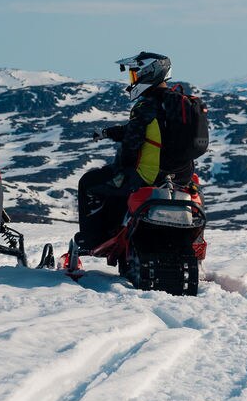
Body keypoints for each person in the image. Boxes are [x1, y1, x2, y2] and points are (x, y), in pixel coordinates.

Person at [75, 51, 197, 253]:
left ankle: (92, 239)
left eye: (135, 74)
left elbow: (133, 142)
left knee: (89, 182)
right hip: (181, 178)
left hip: (148, 176)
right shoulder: (181, 103)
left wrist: (122, 166)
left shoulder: (146, 105)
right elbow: (147, 132)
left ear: (149, 73)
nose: (133, 80)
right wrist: (109, 132)